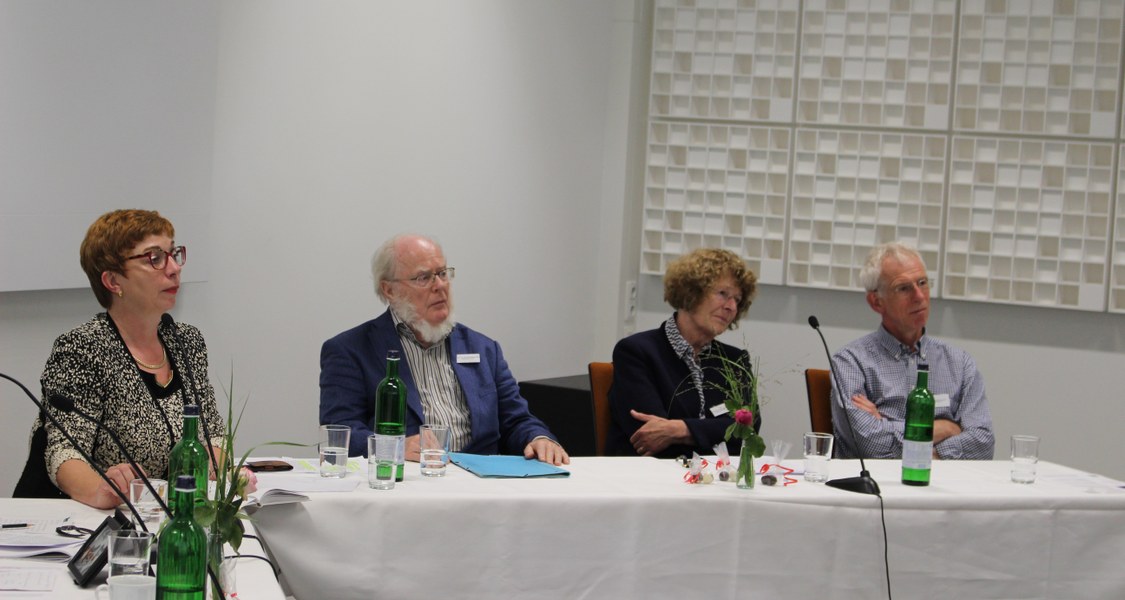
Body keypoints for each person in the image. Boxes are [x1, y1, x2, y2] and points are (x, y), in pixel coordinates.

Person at [13, 209, 227, 509]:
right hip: (84, 522)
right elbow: (63, 452)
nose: (174, 268)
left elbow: (211, 434)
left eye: (173, 253)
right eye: (154, 258)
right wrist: (102, 489)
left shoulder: (186, 342)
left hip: (162, 515)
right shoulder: (83, 348)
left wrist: (221, 471)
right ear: (113, 281)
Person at [319, 234, 569, 465]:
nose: (439, 285)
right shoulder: (350, 351)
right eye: (423, 277)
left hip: (481, 488)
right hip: (407, 487)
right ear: (389, 290)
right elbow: (340, 433)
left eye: (442, 273)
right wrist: (393, 447)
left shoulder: (484, 349)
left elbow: (516, 420)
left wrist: (539, 438)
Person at [831, 241, 994, 459]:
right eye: (904, 288)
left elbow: (983, 443)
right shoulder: (851, 363)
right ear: (876, 302)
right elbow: (870, 444)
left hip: (947, 488)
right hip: (878, 489)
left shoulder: (959, 363)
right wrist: (943, 429)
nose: (919, 296)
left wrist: (888, 426)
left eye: (922, 283)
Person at [606, 248, 761, 459]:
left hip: (715, 483)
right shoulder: (637, 352)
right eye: (723, 294)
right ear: (691, 292)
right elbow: (650, 438)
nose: (731, 307)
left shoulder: (735, 361)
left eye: (737, 299)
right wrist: (714, 432)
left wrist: (679, 429)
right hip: (647, 482)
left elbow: (748, 432)